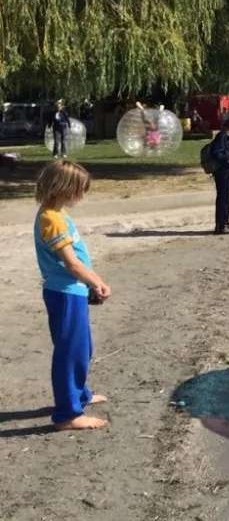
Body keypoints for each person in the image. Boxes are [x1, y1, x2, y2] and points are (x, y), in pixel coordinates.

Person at [34, 160, 111, 431]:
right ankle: (67, 414)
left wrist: (89, 285)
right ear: (63, 188)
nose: (82, 196)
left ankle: (79, 394)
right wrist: (97, 282)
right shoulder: (50, 219)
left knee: (83, 348)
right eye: (79, 190)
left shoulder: (58, 213)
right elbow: (72, 264)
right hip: (64, 293)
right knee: (69, 352)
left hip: (74, 290)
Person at [209, 116, 229, 235]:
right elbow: (216, 153)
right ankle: (220, 226)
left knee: (227, 198)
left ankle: (225, 222)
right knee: (223, 198)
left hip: (227, 171)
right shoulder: (221, 136)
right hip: (222, 171)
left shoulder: (225, 137)